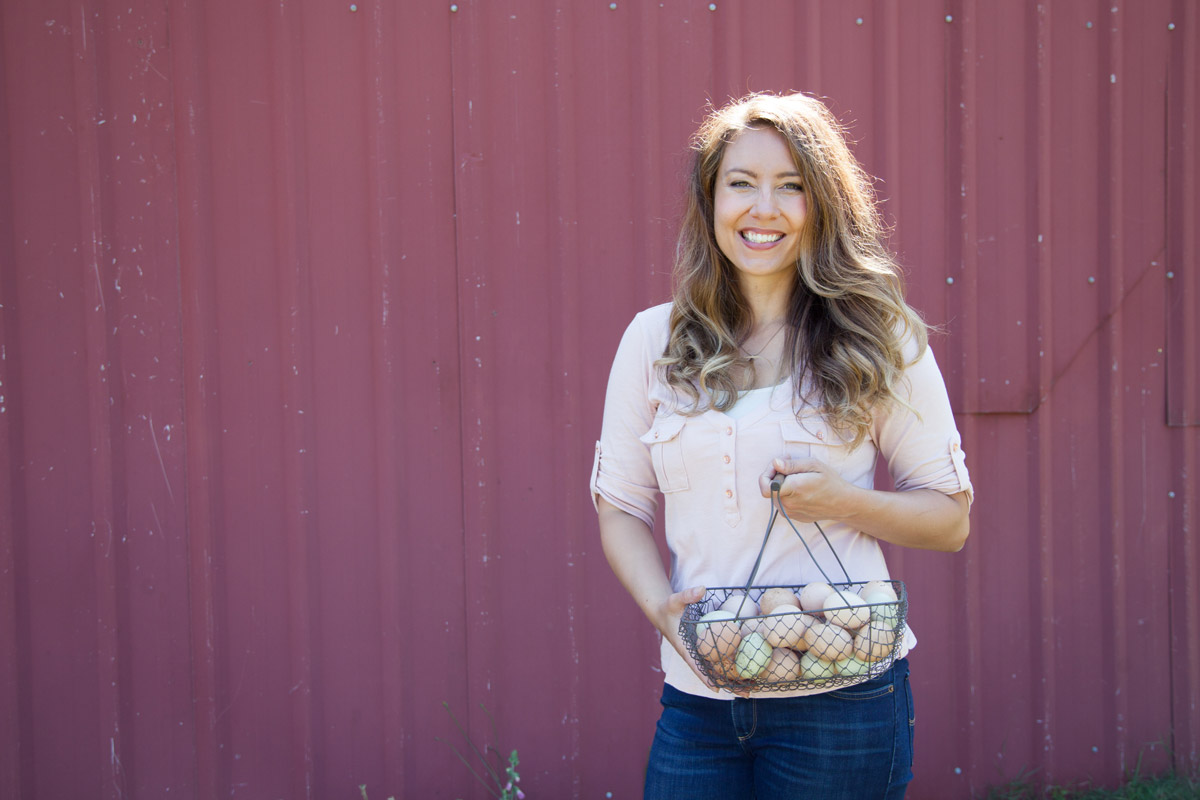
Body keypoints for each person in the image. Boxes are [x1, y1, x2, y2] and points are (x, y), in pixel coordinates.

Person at [589, 92, 974, 799]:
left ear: (821, 205)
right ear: (710, 202)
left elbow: (950, 521)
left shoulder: (879, 338)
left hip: (842, 700)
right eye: (741, 183)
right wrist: (659, 610)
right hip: (699, 697)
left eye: (791, 186)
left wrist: (842, 502)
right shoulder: (653, 341)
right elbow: (619, 505)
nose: (763, 208)